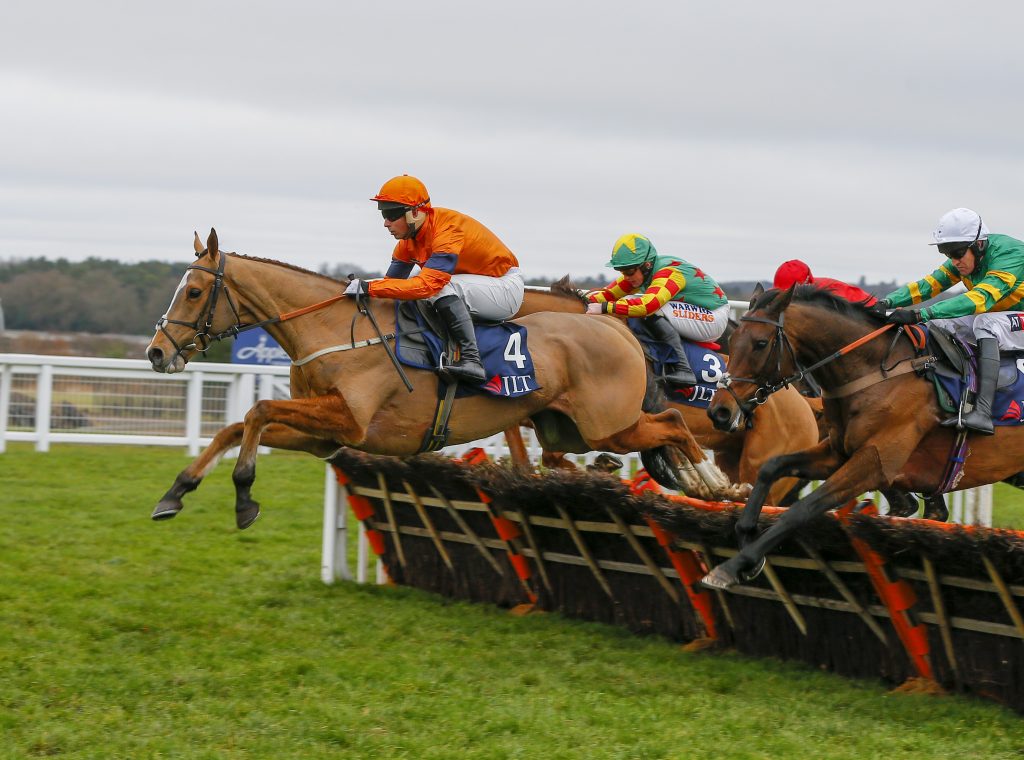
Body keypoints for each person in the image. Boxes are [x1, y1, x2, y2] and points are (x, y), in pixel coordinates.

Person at [349, 175, 525, 384]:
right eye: (383, 215)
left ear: (415, 212)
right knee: (413, 281)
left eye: (391, 214)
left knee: (436, 287)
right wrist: (360, 288)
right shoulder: (408, 242)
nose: (386, 223)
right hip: (474, 284)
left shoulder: (447, 231)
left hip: (505, 288)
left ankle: (472, 361)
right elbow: (390, 283)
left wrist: (370, 287)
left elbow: (428, 286)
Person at [875, 208, 1024, 434]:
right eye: (947, 253)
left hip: (999, 315)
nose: (953, 261)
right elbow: (928, 285)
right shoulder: (965, 258)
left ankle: (982, 412)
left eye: (956, 252)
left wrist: (920, 314)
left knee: (986, 324)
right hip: (1004, 314)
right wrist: (886, 302)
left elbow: (981, 298)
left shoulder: (1009, 254)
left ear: (979, 245)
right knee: (941, 325)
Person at [586, 233, 730, 386]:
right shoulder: (639, 273)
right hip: (694, 311)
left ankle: (683, 369)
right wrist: (578, 300)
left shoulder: (669, 273)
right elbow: (607, 294)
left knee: (651, 308)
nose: (626, 276)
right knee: (628, 302)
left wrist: (605, 307)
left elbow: (647, 306)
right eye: (621, 270)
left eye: (629, 271)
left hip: (713, 316)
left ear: (646, 265)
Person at [773, 259, 878, 306]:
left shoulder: (834, 289)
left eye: (790, 293)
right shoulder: (772, 297)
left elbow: (874, 304)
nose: (786, 298)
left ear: (807, 285)